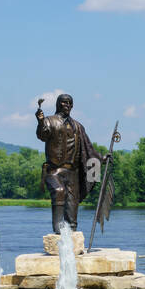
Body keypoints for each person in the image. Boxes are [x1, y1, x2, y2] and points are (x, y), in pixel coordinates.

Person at [34, 93, 108, 234]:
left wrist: (101, 159)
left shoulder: (78, 126)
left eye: (69, 103)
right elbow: (42, 135)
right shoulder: (50, 121)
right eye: (64, 102)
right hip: (54, 171)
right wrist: (40, 121)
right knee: (58, 191)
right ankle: (58, 232)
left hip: (73, 172)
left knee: (72, 205)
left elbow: (88, 149)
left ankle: (72, 235)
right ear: (58, 104)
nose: (67, 105)